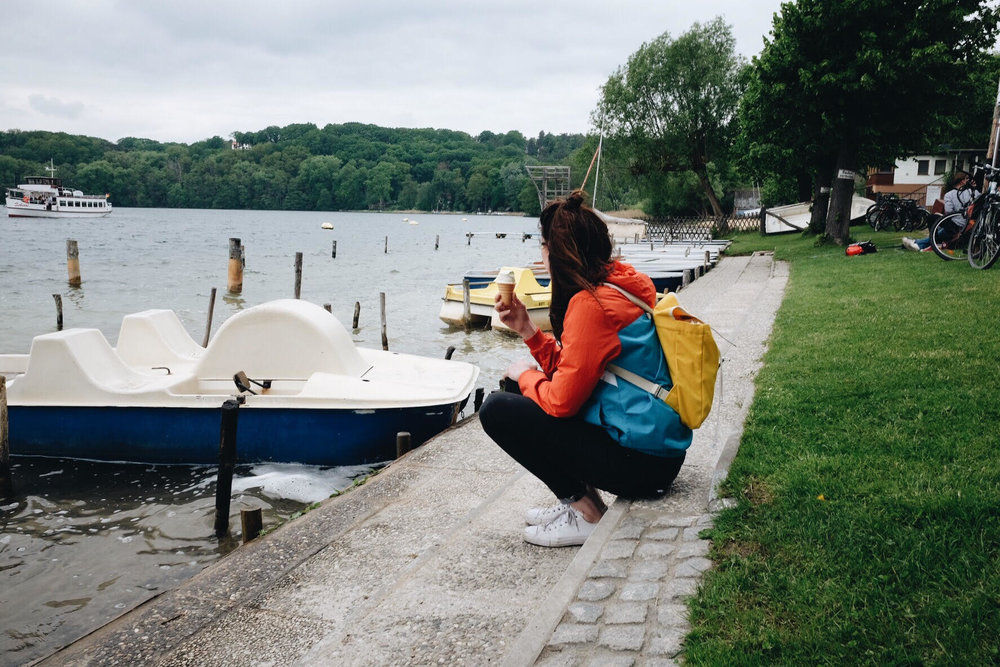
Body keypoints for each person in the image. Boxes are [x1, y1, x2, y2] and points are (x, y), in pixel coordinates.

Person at [478, 190, 690, 548]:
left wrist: (525, 375)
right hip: (657, 449)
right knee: (521, 386)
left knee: (498, 408)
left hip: (643, 464)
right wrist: (528, 330)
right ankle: (579, 504)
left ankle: (588, 514)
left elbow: (562, 402)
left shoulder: (591, 305)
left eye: (543, 246)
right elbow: (576, 370)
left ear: (555, 252)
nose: (540, 256)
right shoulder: (621, 282)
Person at [903, 171, 978, 251]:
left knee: (933, 218)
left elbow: (949, 212)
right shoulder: (975, 193)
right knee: (941, 229)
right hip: (970, 225)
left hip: (956, 226)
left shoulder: (949, 195)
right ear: (963, 181)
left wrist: (941, 215)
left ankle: (918, 243)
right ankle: (918, 243)